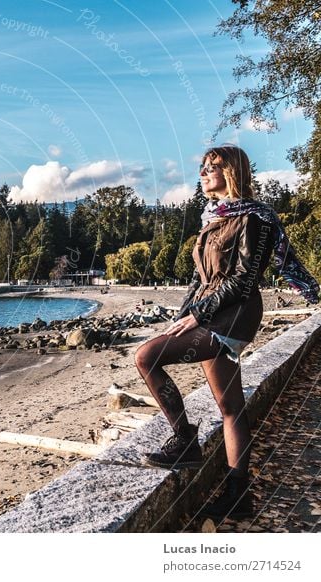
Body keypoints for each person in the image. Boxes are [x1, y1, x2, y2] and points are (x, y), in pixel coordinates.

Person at [134, 145, 319, 521]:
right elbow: (198, 277)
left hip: (233, 316)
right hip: (211, 313)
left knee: (147, 357)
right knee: (231, 407)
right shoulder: (213, 219)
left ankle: (185, 441)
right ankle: (240, 497)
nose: (203, 173)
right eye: (202, 167)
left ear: (231, 171)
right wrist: (186, 313)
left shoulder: (255, 218)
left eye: (211, 167)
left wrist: (199, 315)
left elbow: (244, 279)